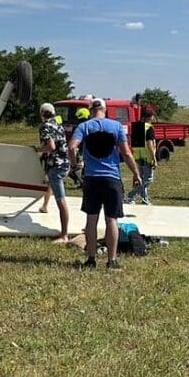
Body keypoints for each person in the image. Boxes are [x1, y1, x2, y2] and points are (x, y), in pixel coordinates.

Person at [68, 98, 143, 270]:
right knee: (111, 220)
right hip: (112, 179)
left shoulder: (84, 127)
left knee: (91, 220)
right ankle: (112, 261)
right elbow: (126, 153)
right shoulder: (116, 126)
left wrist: (74, 165)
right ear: (105, 109)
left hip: (91, 179)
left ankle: (91, 260)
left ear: (90, 110)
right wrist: (136, 173)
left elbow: (72, 148)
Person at [35, 103, 71, 242]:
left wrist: (37, 150)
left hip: (56, 166)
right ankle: (44, 206)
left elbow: (50, 146)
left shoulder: (45, 126)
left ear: (42, 114)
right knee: (50, 180)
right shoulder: (58, 125)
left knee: (61, 201)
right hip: (64, 163)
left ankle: (64, 235)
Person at [125, 105, 157, 204]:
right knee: (148, 180)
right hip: (147, 158)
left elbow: (136, 144)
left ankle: (145, 200)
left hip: (138, 157)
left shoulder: (137, 126)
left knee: (140, 179)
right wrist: (154, 158)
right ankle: (130, 196)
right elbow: (149, 144)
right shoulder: (149, 128)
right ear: (150, 117)